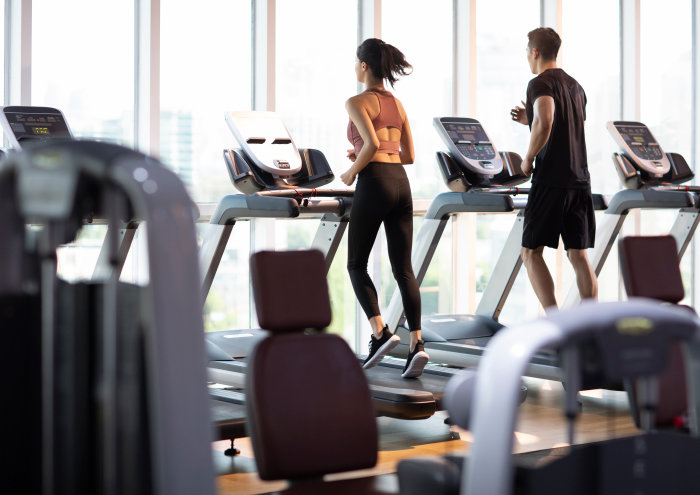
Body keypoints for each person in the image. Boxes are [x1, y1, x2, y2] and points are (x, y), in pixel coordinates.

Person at [342, 38, 429, 378]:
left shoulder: (356, 101)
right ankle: (417, 345)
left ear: (364, 66)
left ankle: (380, 333)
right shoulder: (398, 104)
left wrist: (352, 169)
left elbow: (373, 145)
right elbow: (406, 155)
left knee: (355, 264)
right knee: (403, 268)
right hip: (400, 181)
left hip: (375, 180)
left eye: (356, 61)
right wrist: (364, 150)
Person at [510, 27, 597, 311]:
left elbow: (546, 122)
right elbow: (567, 125)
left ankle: (554, 321)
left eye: (526, 51)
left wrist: (527, 158)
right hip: (580, 179)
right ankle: (590, 323)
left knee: (530, 252)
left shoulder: (539, 83)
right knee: (578, 255)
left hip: (552, 179)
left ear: (535, 52)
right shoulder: (576, 86)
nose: (526, 56)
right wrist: (530, 117)